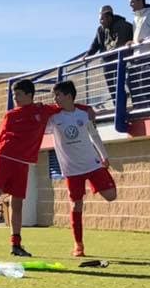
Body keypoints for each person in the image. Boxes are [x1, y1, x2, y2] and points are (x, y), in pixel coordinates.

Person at [0, 79, 94, 257]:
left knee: (18, 203)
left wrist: (87, 109)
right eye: (14, 95)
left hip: (23, 163)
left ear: (29, 95)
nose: (16, 98)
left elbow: (66, 105)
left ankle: (16, 244)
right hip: (4, 158)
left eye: (19, 95)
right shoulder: (10, 115)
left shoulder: (42, 110)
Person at [46, 81, 116, 257]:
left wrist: (104, 155)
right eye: (54, 96)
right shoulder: (54, 117)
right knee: (76, 205)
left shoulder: (84, 114)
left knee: (111, 195)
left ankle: (94, 186)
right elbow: (40, 120)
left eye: (58, 95)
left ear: (69, 96)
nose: (55, 99)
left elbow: (94, 134)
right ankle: (78, 245)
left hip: (92, 163)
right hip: (72, 169)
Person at [84, 5, 134, 105]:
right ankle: (117, 106)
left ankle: (123, 107)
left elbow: (120, 43)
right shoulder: (101, 30)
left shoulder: (122, 25)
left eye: (102, 19)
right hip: (108, 62)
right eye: (100, 19)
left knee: (124, 83)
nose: (100, 22)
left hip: (122, 60)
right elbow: (95, 45)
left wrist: (107, 53)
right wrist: (87, 56)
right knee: (112, 86)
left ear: (109, 17)